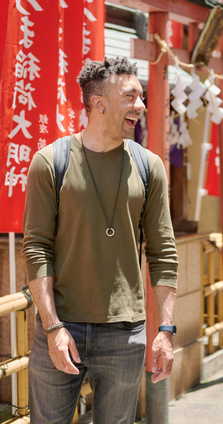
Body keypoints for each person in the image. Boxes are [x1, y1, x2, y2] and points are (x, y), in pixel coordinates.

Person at [22, 57, 178, 423]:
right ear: (99, 103)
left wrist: (166, 331)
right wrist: (52, 327)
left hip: (125, 331)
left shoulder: (149, 166)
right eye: (131, 96)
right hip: (61, 326)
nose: (140, 106)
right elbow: (36, 248)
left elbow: (163, 253)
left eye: (141, 97)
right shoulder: (50, 162)